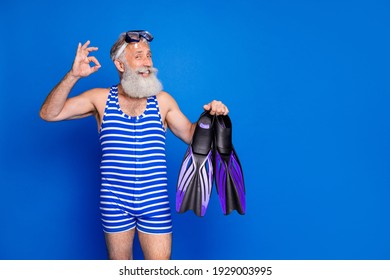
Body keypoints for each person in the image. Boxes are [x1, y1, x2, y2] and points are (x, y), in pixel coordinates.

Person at [39, 30, 229, 260]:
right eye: (139, 56)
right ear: (120, 65)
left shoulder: (163, 101)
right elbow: (49, 114)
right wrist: (73, 75)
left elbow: (191, 135)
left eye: (149, 56)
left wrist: (210, 116)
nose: (147, 62)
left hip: (155, 201)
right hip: (114, 201)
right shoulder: (99, 99)